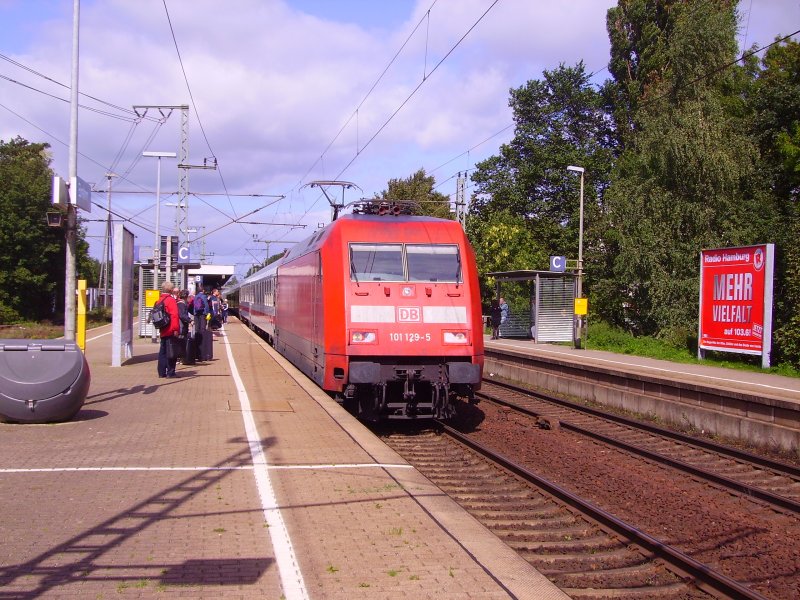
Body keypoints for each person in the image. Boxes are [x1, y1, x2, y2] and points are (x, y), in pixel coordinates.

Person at [156, 281, 180, 378]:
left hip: (162, 329)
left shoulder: (159, 300)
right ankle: (171, 372)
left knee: (162, 351)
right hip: (170, 329)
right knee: (171, 351)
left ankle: (161, 372)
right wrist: (175, 329)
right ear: (171, 290)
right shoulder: (171, 300)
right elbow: (174, 316)